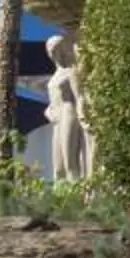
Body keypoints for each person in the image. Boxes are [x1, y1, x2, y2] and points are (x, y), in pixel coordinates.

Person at [43, 33, 92, 181]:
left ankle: (77, 198)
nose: (54, 51)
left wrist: (84, 116)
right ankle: (62, 200)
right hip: (56, 119)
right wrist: (48, 111)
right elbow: (52, 101)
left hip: (68, 113)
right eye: (51, 48)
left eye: (57, 48)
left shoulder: (71, 72)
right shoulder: (54, 76)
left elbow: (80, 97)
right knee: (58, 166)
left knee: (70, 162)